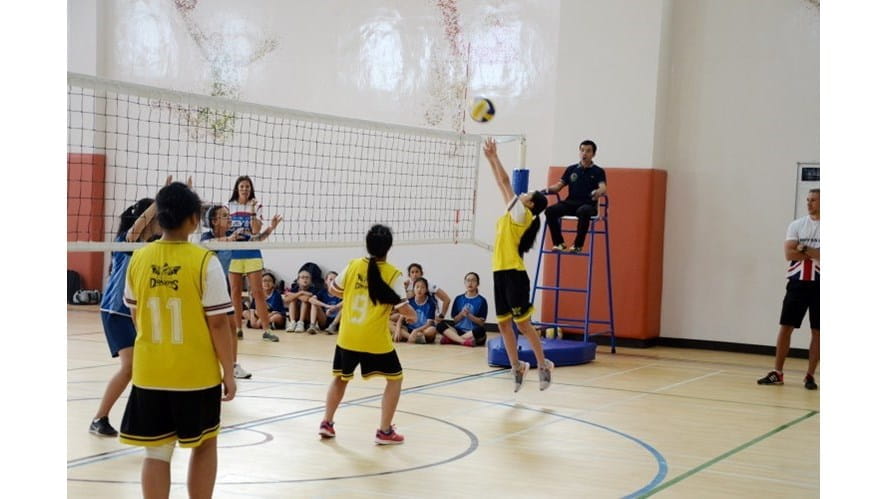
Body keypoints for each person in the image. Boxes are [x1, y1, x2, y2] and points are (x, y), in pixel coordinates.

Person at [119, 181, 236, 498]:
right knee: (205, 444)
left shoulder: (138, 259)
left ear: (160, 219)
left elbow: (135, 315)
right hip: (194, 377)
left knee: (156, 453)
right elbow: (219, 325)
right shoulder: (203, 261)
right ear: (194, 220)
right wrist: (229, 369)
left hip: (149, 374)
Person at [318, 224, 417, 445]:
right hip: (374, 339)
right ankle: (384, 431)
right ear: (388, 248)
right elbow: (405, 310)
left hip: (348, 336)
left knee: (340, 378)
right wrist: (413, 317)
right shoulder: (393, 274)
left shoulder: (353, 266)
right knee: (395, 378)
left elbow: (333, 290)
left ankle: (327, 422)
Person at [90, 180, 168, 437]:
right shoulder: (128, 241)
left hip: (137, 314)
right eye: (158, 217)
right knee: (130, 367)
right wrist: (159, 199)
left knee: (148, 366)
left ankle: (149, 418)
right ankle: (99, 418)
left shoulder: (153, 249)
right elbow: (137, 227)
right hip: (116, 312)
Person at [483, 137, 554, 392]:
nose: (522, 193)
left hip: (514, 273)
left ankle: (543, 364)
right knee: (503, 324)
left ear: (531, 204)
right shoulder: (513, 213)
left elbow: (504, 182)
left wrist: (493, 157)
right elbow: (501, 185)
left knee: (522, 323)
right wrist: (491, 160)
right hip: (499, 271)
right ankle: (517, 366)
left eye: (527, 194)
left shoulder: (523, 214)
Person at [201, 204, 281, 380]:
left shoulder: (234, 235)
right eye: (224, 216)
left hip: (221, 292)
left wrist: (271, 228)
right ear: (214, 221)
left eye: (229, 215)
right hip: (203, 292)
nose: (230, 218)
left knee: (231, 328)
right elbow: (207, 244)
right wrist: (231, 240)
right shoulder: (207, 237)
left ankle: (233, 366)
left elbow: (256, 238)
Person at [758, 188, 820, 390]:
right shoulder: (796, 225)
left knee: (818, 332)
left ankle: (810, 376)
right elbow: (788, 254)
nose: (809, 204)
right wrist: (812, 252)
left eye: (814, 200)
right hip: (797, 283)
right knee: (786, 327)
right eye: (808, 200)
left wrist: (801, 247)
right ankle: (777, 372)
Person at [227, 175, 282, 342]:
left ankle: (266, 330)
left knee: (258, 292)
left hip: (251, 252)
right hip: (233, 253)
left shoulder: (256, 206)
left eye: (247, 187)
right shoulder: (228, 206)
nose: (245, 189)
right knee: (235, 292)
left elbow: (256, 231)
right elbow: (225, 228)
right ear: (237, 188)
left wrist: (252, 212)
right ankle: (237, 329)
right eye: (242, 186)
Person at [541, 140, 608, 252]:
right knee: (550, 211)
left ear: (593, 154)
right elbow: (558, 186)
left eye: (588, 151)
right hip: (570, 203)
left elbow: (603, 187)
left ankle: (577, 245)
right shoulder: (571, 169)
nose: (584, 153)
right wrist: (545, 190)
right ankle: (559, 243)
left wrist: (598, 191)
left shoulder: (598, 171)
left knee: (583, 211)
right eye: (582, 150)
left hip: (588, 205)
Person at [439, 272, 489, 347]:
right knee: (440, 325)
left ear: (478, 284)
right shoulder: (458, 299)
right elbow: (455, 320)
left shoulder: (482, 301)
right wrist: (461, 314)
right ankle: (463, 341)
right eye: (468, 280)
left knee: (481, 330)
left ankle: (454, 339)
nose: (470, 283)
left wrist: (469, 316)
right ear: (465, 283)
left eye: (473, 280)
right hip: (458, 331)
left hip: (472, 332)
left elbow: (481, 323)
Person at [391, 277, 438, 344]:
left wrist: (416, 330)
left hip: (422, 330)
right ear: (413, 289)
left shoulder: (431, 303)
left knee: (431, 330)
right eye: (417, 287)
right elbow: (400, 319)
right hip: (409, 330)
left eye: (422, 287)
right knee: (390, 324)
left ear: (426, 290)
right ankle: (411, 337)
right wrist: (397, 330)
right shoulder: (409, 302)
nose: (419, 289)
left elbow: (429, 323)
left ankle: (413, 337)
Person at [284, 269, 321, 333]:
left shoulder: (314, 290)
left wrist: (295, 294)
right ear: (298, 280)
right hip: (296, 316)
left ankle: (301, 323)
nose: (305, 279)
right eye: (302, 277)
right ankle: (293, 323)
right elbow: (286, 300)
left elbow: (306, 299)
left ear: (311, 280)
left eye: (307, 278)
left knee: (304, 302)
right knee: (292, 301)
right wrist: (300, 293)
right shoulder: (294, 289)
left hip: (307, 317)